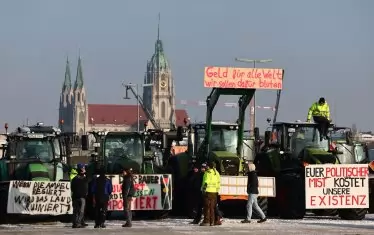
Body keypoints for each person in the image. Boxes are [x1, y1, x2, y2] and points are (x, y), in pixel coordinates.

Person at [200, 161, 220, 226]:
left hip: (208, 192)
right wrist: (217, 190)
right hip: (214, 192)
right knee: (212, 207)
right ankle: (213, 221)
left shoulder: (207, 173)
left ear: (209, 166)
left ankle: (206, 221)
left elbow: (206, 181)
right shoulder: (216, 173)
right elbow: (218, 182)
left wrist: (203, 189)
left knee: (207, 207)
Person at [71, 163, 89, 228]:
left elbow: (72, 188)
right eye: (83, 168)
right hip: (81, 197)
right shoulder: (84, 179)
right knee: (81, 211)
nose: (84, 169)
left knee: (76, 211)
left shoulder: (75, 179)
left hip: (75, 196)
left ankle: (75, 223)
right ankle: (78, 223)